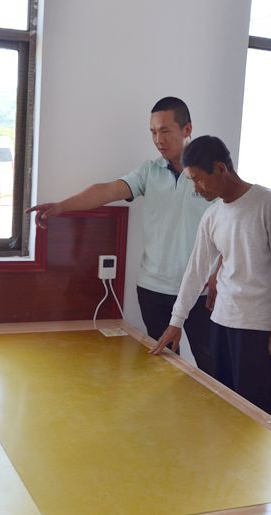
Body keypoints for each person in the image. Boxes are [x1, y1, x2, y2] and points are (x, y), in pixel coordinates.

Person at [27, 97, 218, 375]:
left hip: (201, 293)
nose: (158, 140)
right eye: (153, 132)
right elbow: (106, 191)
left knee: (212, 368)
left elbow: (232, 227)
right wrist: (61, 207)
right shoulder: (149, 172)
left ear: (187, 129)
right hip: (153, 289)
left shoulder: (212, 175)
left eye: (165, 131)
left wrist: (219, 271)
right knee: (163, 368)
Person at [151, 136, 271, 418]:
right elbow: (196, 270)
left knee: (259, 417)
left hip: (260, 329)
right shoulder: (213, 215)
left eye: (198, 179)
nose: (196, 188)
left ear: (220, 168)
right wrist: (176, 321)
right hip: (220, 323)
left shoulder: (270, 205)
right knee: (224, 409)